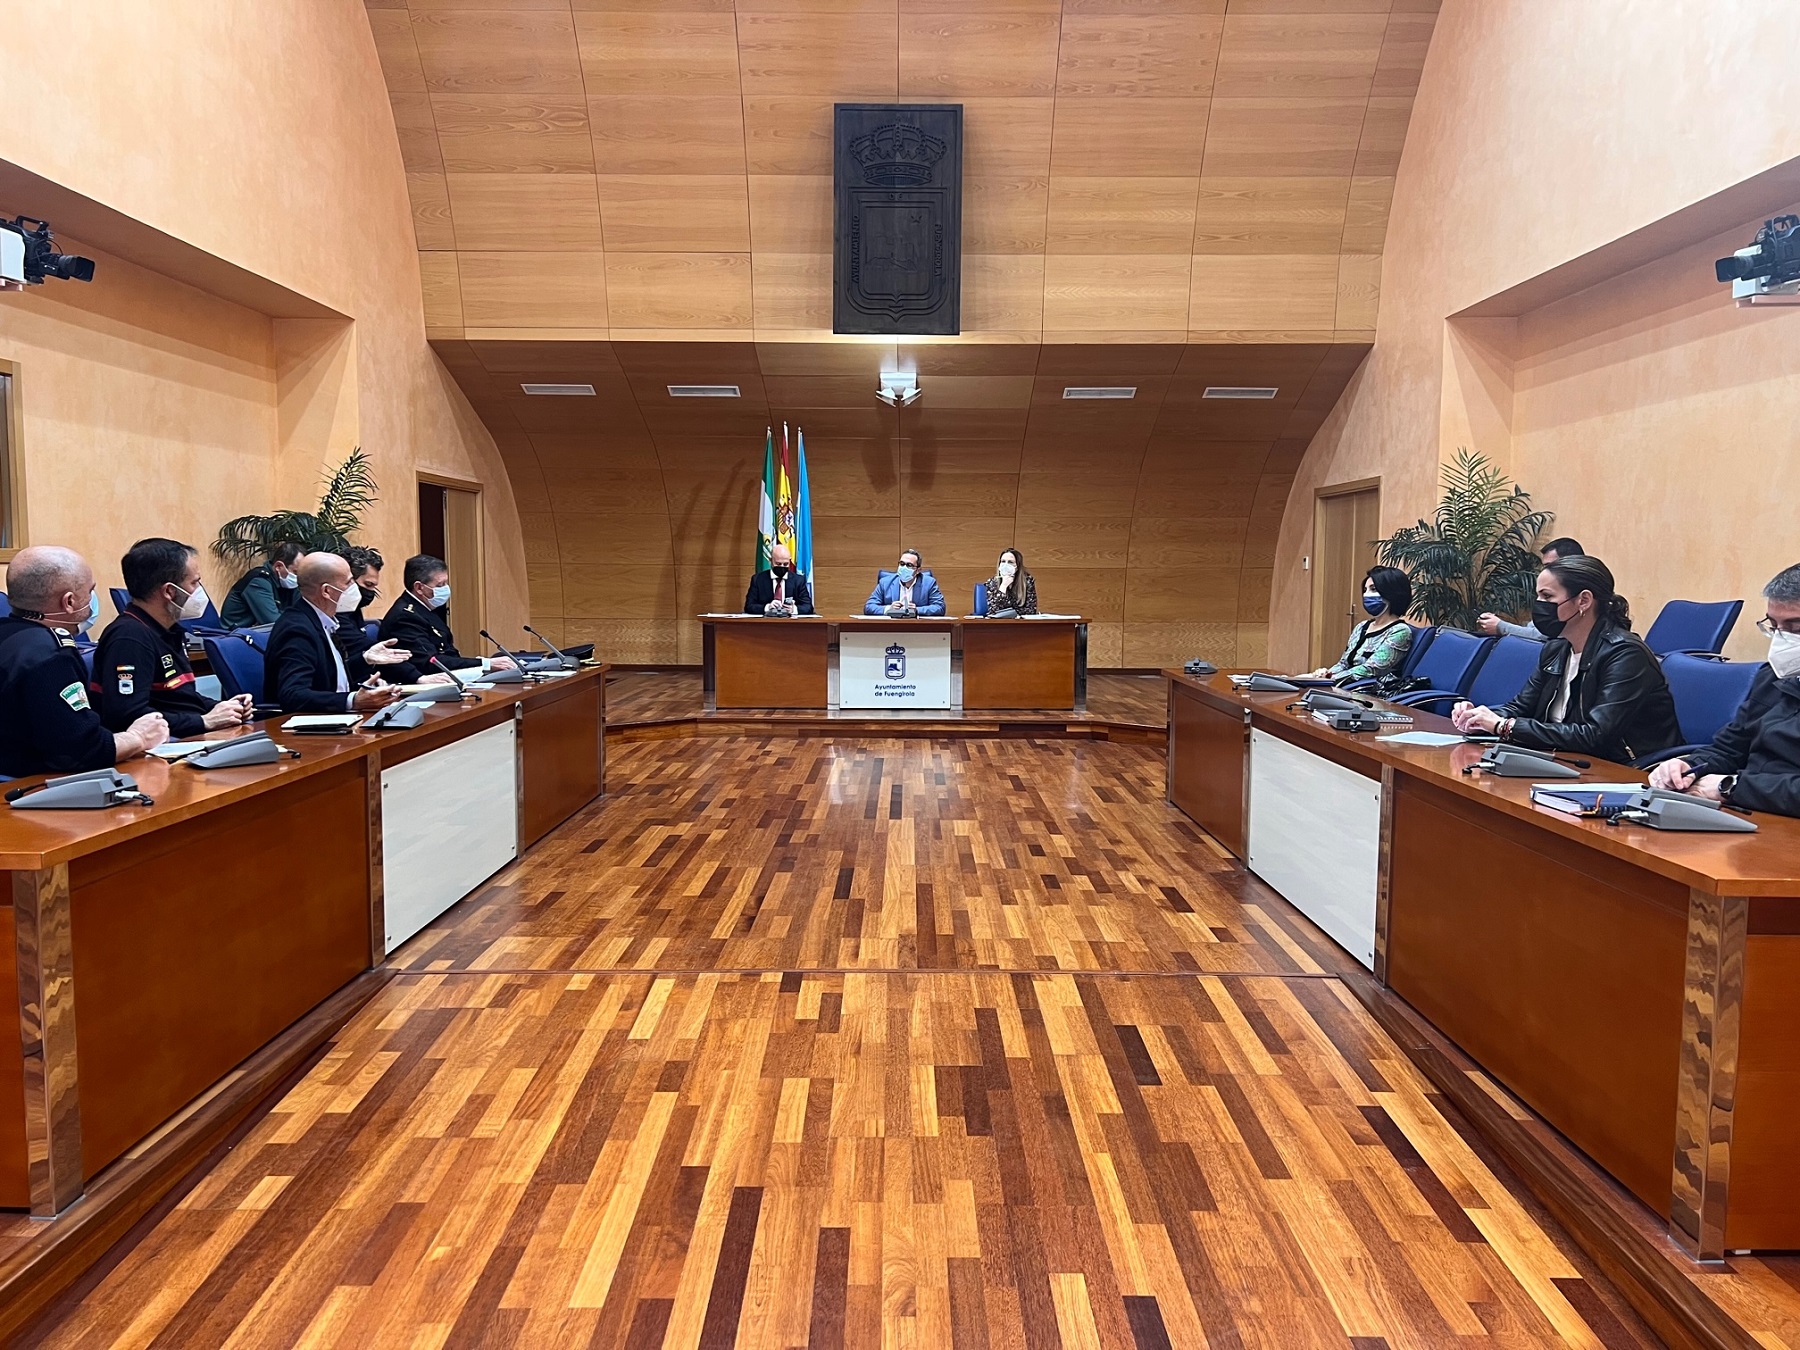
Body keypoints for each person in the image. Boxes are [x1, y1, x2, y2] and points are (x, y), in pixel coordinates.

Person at [1451, 554, 1680, 763]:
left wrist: (1504, 726)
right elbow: (1521, 707)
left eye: (1547, 596)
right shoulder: (1556, 648)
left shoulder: (1625, 654)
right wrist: (1481, 719)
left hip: (1623, 768)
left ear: (1583, 601)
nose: (1539, 605)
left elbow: (1594, 735)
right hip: (1562, 759)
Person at [0, 546, 168, 776]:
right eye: (90, 591)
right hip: (27, 786)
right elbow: (83, 751)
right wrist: (138, 737)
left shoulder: (9, 634)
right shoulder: (51, 656)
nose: (92, 599)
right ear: (69, 602)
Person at [1649, 564, 1800, 815]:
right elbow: (1729, 749)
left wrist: (1731, 786)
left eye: (1796, 628)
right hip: (1747, 811)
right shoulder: (1773, 677)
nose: (1781, 639)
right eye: (1774, 626)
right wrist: (1690, 766)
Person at [95, 537, 255, 738]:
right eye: (194, 582)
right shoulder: (129, 638)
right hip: (159, 747)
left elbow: (181, 699)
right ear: (169, 591)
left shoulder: (168, 630)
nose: (200, 590)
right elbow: (128, 716)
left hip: (185, 737)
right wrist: (204, 721)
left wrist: (224, 708)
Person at [264, 552, 404, 713]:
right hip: (308, 724)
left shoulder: (323, 620)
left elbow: (331, 678)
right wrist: (353, 700)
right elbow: (293, 695)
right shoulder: (297, 629)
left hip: (339, 716)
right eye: (349, 582)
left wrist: (365, 662)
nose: (354, 588)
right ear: (327, 591)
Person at [379, 554, 513, 675]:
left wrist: (482, 665)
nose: (445, 589)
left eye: (445, 583)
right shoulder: (405, 617)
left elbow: (449, 653)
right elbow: (431, 662)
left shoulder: (426, 609)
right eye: (440, 585)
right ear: (419, 588)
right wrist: (484, 664)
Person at [331, 545, 421, 683]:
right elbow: (363, 647)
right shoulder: (334, 615)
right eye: (368, 585)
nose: (371, 592)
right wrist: (418, 678)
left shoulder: (353, 610)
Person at [1307, 567, 1414, 682]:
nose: (1366, 595)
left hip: (1370, 689)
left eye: (1373, 589)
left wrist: (1330, 679)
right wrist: (1324, 674)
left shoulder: (1400, 631)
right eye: (1365, 590)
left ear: (1392, 593)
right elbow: (1344, 664)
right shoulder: (1362, 627)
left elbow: (1371, 669)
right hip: (1343, 684)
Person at [1478, 537, 1586, 638]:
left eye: (1548, 596)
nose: (1545, 572)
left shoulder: (1578, 594)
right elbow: (1534, 630)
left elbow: (1543, 636)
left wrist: (1500, 627)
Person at [219, 541, 304, 628]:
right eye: (295, 572)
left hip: (257, 631)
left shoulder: (288, 584)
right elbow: (273, 622)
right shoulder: (259, 581)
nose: (298, 577)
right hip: (235, 633)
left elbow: (303, 613)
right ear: (278, 566)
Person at [864, 548, 945, 617]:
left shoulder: (928, 583)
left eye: (909, 565)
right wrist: (888, 609)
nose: (904, 568)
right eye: (902, 564)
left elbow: (940, 607)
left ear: (918, 570)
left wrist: (916, 610)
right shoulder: (885, 583)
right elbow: (869, 607)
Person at [743, 543, 813, 616]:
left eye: (785, 564)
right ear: (770, 560)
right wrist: (767, 607)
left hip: (790, 622)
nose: (782, 567)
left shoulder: (798, 581)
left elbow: (808, 607)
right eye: (778, 564)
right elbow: (749, 606)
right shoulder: (758, 579)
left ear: (789, 561)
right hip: (766, 622)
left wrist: (793, 609)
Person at [984, 548, 1038, 616]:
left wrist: (1011, 613)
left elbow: (1031, 610)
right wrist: (1003, 586)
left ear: (1017, 566)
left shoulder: (1027, 581)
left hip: (1020, 621)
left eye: (1010, 562)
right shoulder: (992, 582)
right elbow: (993, 611)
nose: (1006, 565)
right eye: (1003, 561)